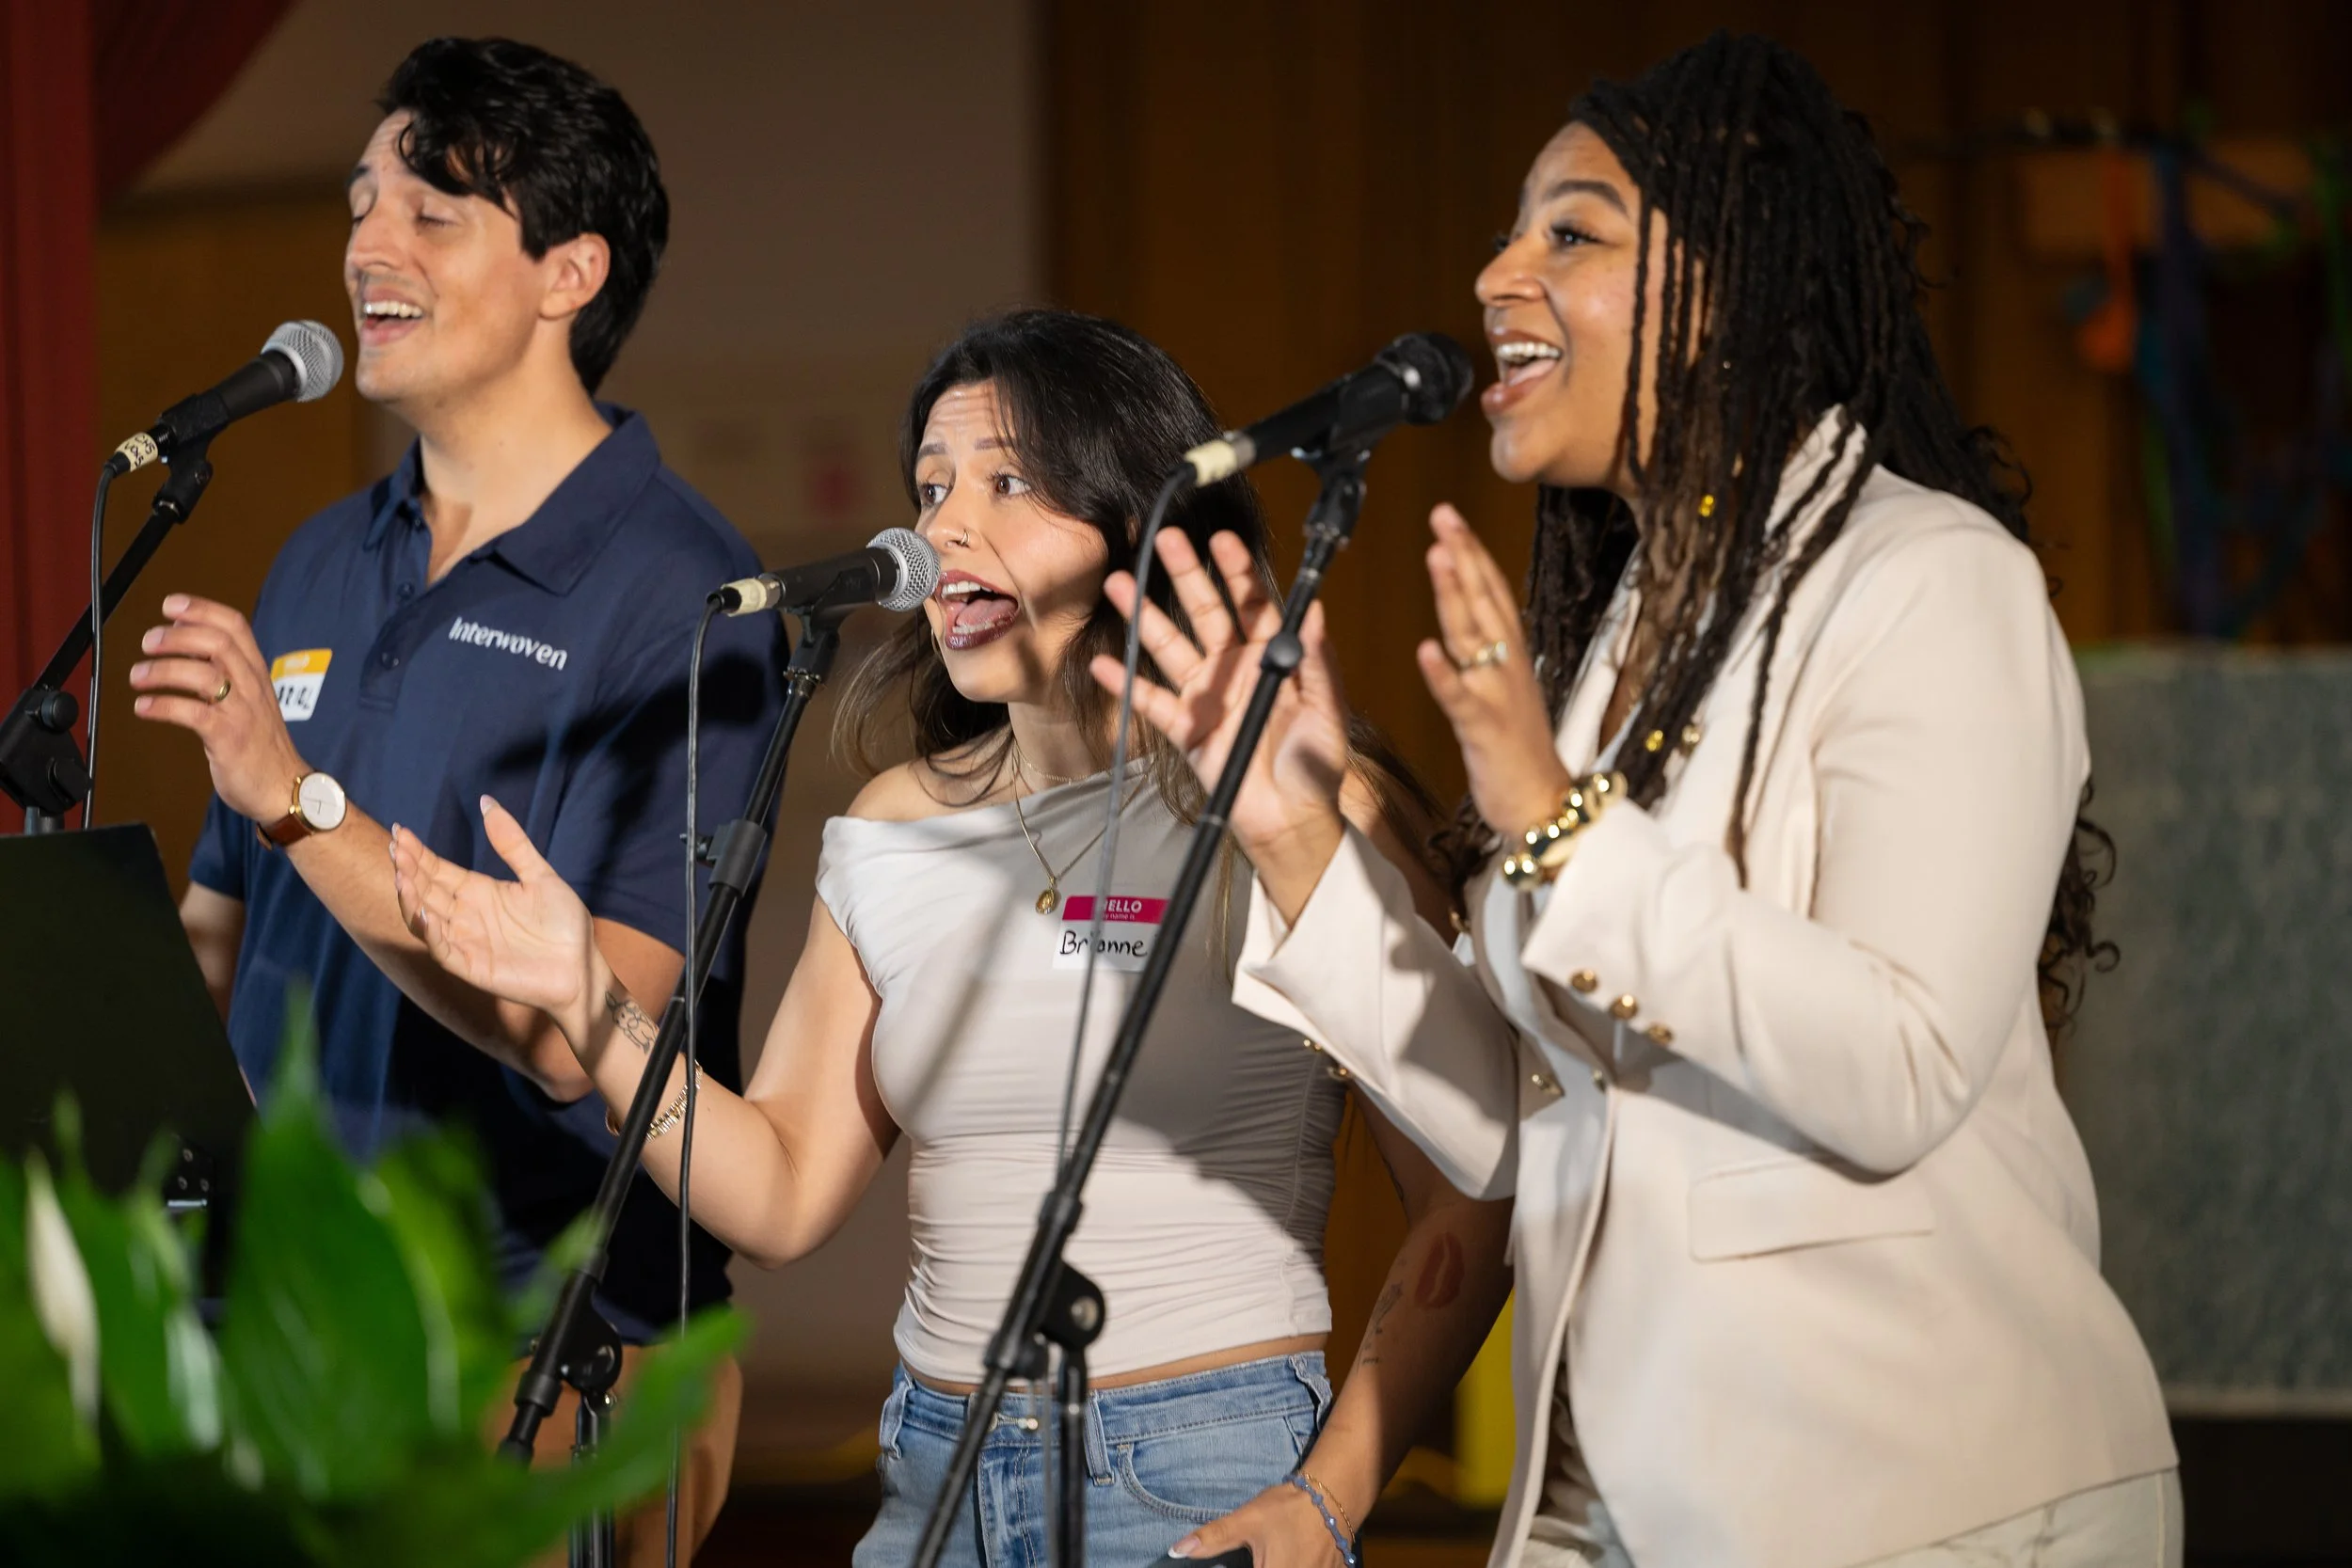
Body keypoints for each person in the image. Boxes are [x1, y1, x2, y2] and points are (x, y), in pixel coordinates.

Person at [1102, 31, 2181, 1568]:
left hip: (1923, 1507)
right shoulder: (1620, 649)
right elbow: (1514, 1120)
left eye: (1572, 230)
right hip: (1621, 1505)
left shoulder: (1932, 583)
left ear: (1731, 285)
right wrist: (1290, 830)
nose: (1495, 274)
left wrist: (1556, 817)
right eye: (1511, 226)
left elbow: (1900, 1060)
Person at [388, 308, 1515, 1568]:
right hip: (937, 1465)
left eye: (1005, 481)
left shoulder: (1297, 800)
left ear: (1131, 514)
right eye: (930, 487)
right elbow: (780, 1189)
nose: (941, 528)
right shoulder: (892, 824)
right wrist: (593, 1005)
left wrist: (1334, 1489)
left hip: (1201, 1460)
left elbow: (1477, 1191)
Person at [130, 37, 779, 1559]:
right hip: (273, 1333)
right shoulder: (317, 558)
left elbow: (588, 1032)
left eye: (433, 211)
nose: (367, 245)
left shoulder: (694, 600)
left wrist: (299, 801)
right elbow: (216, 943)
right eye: (362, 201)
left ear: (570, 273)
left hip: (535, 1355)